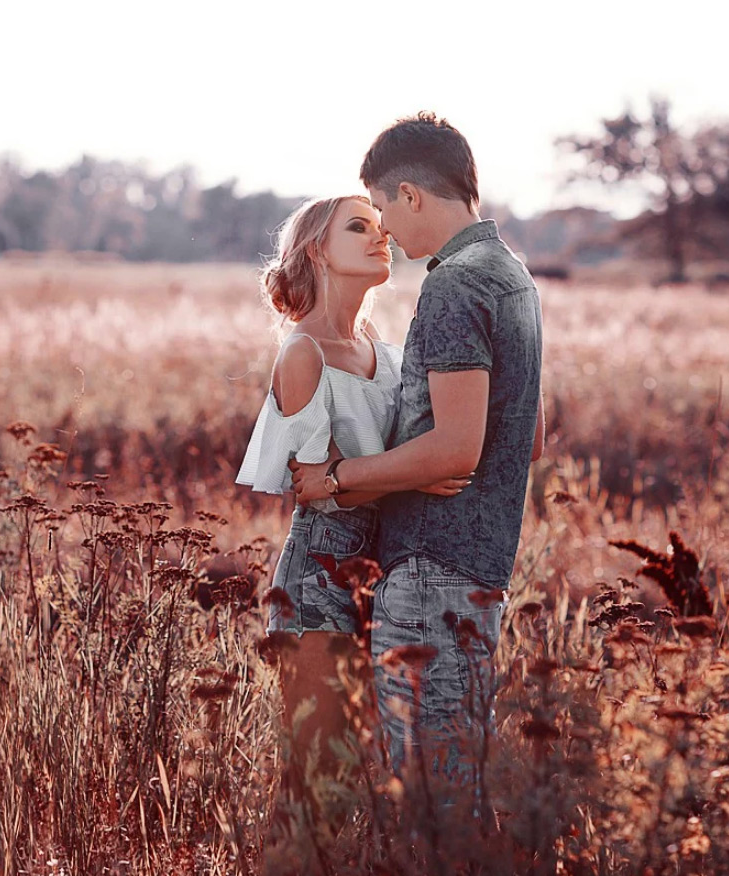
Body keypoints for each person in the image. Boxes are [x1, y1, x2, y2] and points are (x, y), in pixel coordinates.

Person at [291, 113, 545, 788]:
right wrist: (426, 453)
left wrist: (339, 477)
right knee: (454, 773)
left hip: (433, 569)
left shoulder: (453, 283)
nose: (385, 231)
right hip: (479, 560)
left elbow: (456, 450)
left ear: (411, 196)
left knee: (432, 792)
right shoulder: (512, 277)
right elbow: (529, 434)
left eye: (380, 209)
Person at [235, 195, 470, 838]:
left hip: (385, 577)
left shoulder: (384, 353)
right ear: (317, 250)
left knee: (370, 775)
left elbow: (368, 469)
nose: (381, 237)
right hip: (318, 577)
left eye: (382, 226)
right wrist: (420, 472)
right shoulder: (303, 352)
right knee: (316, 780)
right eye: (359, 228)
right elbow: (311, 488)